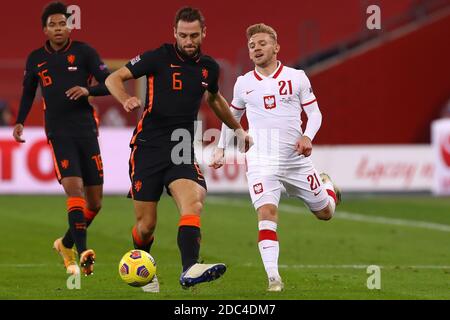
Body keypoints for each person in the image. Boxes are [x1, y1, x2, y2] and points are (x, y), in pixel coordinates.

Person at [105, 7, 252, 292]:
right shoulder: (156, 57)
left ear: (203, 33)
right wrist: (124, 99)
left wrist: (238, 129)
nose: (188, 40)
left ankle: (189, 268)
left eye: (194, 35)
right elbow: (114, 79)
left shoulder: (209, 67)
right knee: (146, 226)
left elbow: (216, 100)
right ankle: (142, 263)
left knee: (194, 201)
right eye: (183, 35)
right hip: (147, 147)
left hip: (182, 148)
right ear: (174, 32)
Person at [210, 23, 341, 292]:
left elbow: (315, 114)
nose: (256, 48)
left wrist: (307, 137)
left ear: (276, 47)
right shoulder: (243, 83)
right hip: (261, 160)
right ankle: (273, 278)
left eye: (262, 43)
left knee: (325, 213)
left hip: (295, 160)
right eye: (251, 45)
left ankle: (328, 188)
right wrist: (222, 147)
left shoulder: (297, 77)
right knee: (266, 212)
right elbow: (231, 117)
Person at [12, 2, 111, 276]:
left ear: (70, 26)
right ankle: (83, 253)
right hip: (58, 134)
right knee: (74, 189)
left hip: (87, 132)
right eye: (52, 24)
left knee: (95, 203)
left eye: (62, 23)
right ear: (45, 29)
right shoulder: (35, 59)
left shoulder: (84, 53)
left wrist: (87, 89)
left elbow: (110, 82)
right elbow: (28, 93)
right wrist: (19, 121)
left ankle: (65, 244)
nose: (58, 28)